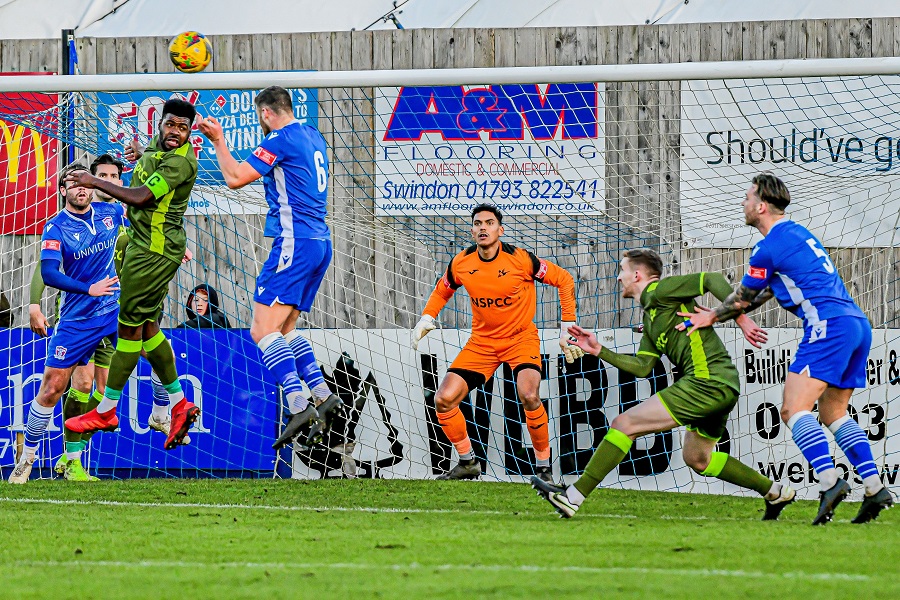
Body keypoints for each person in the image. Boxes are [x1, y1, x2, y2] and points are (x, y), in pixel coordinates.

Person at [677, 172, 894, 525]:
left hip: (828, 326)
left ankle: (829, 482)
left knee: (793, 409)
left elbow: (743, 297)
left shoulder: (768, 246)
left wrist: (712, 316)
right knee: (833, 414)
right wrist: (725, 312)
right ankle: (874, 488)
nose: (743, 203)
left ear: (761, 205)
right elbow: (765, 292)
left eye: (747, 197)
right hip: (855, 323)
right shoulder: (797, 233)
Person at [531, 248, 797, 519]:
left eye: (622, 270)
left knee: (624, 424)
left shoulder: (660, 290)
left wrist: (740, 319)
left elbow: (712, 279)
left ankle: (572, 497)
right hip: (720, 384)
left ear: (637, 275)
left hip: (706, 381)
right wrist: (599, 350)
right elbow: (643, 367)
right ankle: (775, 492)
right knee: (698, 459)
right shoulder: (651, 317)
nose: (618, 278)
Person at [197, 85, 340, 449]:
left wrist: (218, 140)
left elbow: (234, 178)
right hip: (320, 243)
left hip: (294, 243)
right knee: (284, 329)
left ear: (265, 114)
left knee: (261, 331)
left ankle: (297, 403)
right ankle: (322, 396)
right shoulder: (312, 134)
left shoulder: (279, 139)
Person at [411, 203, 584, 482]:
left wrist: (567, 329)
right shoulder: (462, 263)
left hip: (520, 339)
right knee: (443, 400)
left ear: (499, 230)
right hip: (482, 344)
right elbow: (443, 289)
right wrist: (427, 317)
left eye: (489, 223)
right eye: (478, 223)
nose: (483, 227)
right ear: (472, 230)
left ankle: (543, 468)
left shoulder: (520, 259)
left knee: (529, 395)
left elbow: (563, 279)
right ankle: (468, 462)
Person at [64, 99, 200, 451]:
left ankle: (107, 410)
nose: (175, 133)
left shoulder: (182, 161)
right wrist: (141, 154)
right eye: (171, 125)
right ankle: (179, 403)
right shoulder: (157, 148)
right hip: (149, 248)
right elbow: (151, 160)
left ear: (189, 133)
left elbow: (139, 197)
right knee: (149, 329)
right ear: (162, 124)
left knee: (128, 331)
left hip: (152, 252)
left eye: (183, 129)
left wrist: (93, 180)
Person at [8, 163, 124, 484]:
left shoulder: (110, 213)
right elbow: (47, 273)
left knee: (141, 348)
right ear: (63, 191)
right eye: (72, 184)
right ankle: (28, 457)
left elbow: (143, 220)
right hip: (76, 320)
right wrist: (87, 288)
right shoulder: (56, 228)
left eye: (84, 182)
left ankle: (163, 406)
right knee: (53, 389)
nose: (81, 188)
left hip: (111, 312)